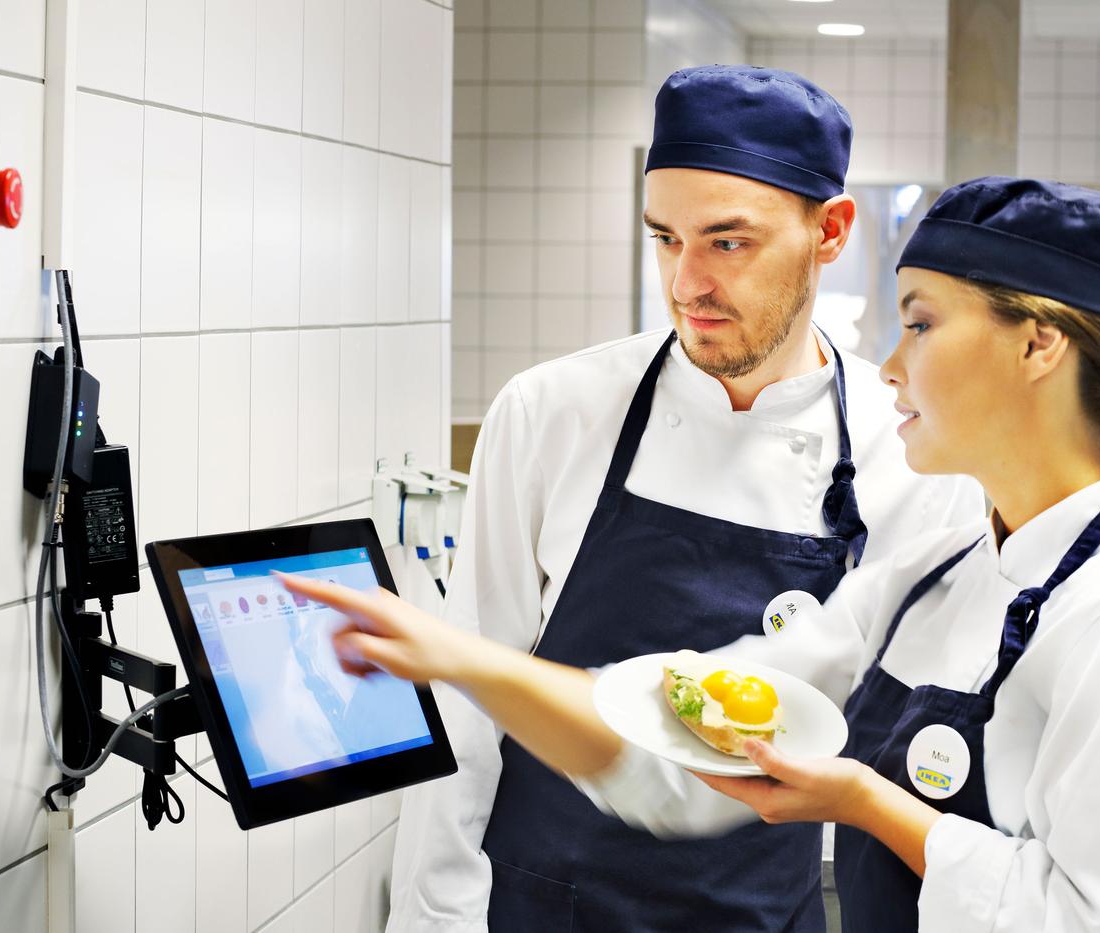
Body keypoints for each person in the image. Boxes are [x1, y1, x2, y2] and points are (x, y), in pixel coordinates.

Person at [281, 178, 1100, 932]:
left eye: (922, 324)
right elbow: (676, 740)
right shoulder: (932, 578)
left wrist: (866, 805)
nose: (887, 366)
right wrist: (460, 658)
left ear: (1037, 348)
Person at [385, 65, 982, 933]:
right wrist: (431, 918)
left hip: (763, 911)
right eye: (666, 237)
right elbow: (468, 701)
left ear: (832, 231)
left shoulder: (909, 453)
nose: (685, 283)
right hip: (541, 907)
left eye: (728, 242)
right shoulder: (555, 410)